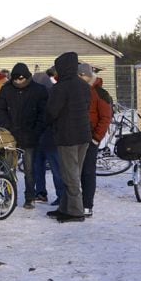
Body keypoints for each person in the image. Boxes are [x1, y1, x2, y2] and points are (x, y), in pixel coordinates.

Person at [0, 62, 48, 209]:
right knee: (8, 169)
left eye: (21, 79)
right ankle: (8, 197)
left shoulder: (38, 90)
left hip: (30, 135)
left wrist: (36, 131)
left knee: (29, 170)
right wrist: (7, 126)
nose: (18, 82)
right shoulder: (7, 89)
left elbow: (43, 114)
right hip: (11, 135)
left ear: (27, 77)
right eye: (16, 79)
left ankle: (30, 197)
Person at [45, 52, 91, 223]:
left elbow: (51, 112)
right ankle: (65, 208)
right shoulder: (84, 86)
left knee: (69, 175)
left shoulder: (60, 87)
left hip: (67, 136)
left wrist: (48, 122)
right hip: (84, 135)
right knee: (73, 174)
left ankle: (76, 212)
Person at [78, 63, 111, 217]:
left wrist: (96, 138)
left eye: (80, 75)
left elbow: (105, 118)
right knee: (74, 172)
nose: (78, 78)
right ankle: (75, 202)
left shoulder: (99, 92)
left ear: (87, 75)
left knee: (88, 172)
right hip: (76, 137)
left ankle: (87, 205)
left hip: (91, 138)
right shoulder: (77, 89)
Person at [30, 70, 65, 206]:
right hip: (47, 136)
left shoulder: (46, 96)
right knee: (51, 167)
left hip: (48, 135)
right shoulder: (52, 93)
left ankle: (44, 193)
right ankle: (56, 194)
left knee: (42, 166)